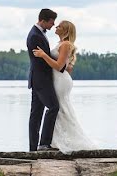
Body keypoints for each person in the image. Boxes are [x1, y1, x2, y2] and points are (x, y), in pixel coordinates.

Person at [32, 20, 96, 152]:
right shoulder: (61, 44)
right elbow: (67, 67)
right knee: (59, 108)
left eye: (59, 26)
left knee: (59, 108)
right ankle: (54, 141)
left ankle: (56, 141)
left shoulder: (66, 44)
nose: (56, 26)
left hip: (60, 80)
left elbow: (59, 66)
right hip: (58, 79)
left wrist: (43, 55)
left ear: (66, 30)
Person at [27, 8, 59, 151]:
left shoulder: (38, 33)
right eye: (52, 22)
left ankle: (34, 148)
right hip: (41, 80)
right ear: (43, 20)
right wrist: (60, 65)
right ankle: (44, 144)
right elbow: (40, 61)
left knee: (36, 114)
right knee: (53, 107)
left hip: (39, 79)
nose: (53, 25)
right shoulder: (35, 35)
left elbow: (44, 56)